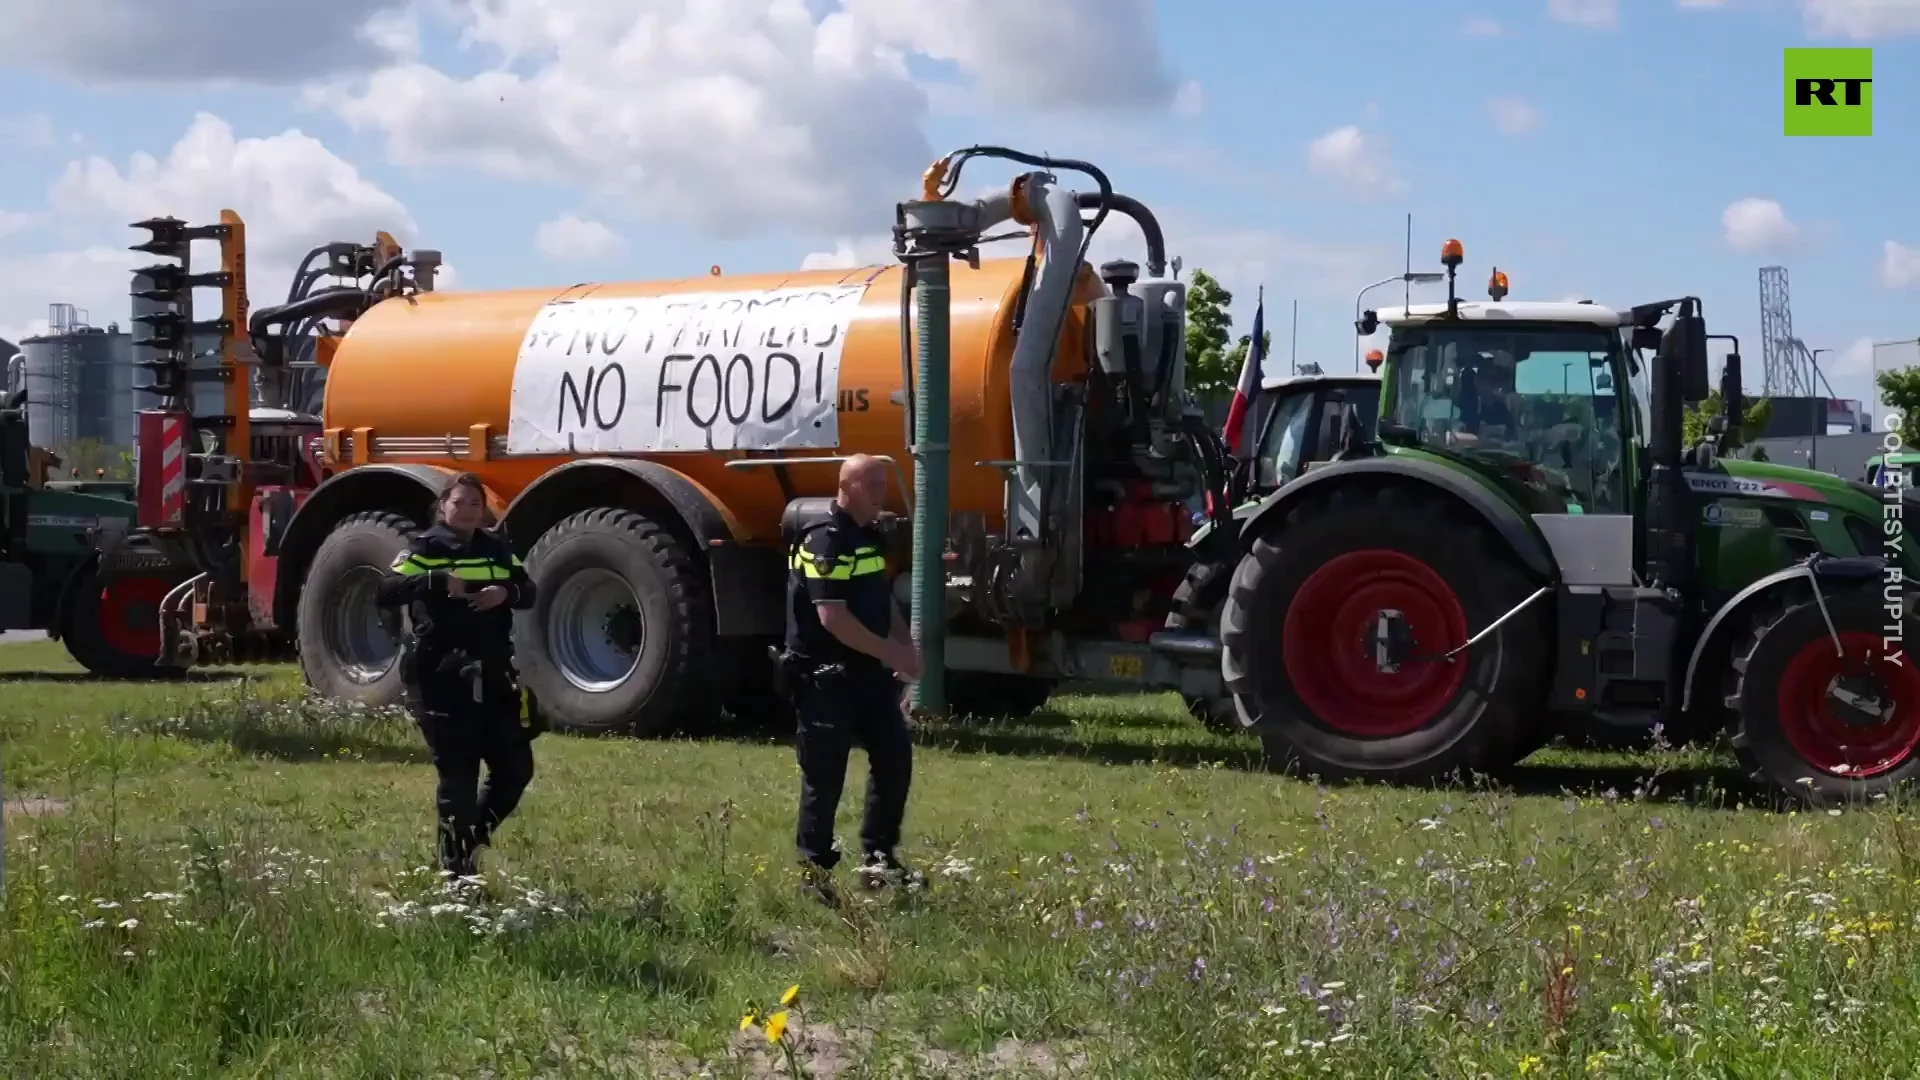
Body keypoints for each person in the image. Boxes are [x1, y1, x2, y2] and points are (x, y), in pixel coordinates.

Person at [376, 472, 538, 881]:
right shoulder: (426, 546)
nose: (467, 511)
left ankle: (470, 840)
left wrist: (506, 594)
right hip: (441, 677)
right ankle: (456, 874)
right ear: (442, 506)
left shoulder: (494, 549)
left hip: (495, 673)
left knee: (516, 769)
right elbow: (386, 589)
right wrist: (434, 581)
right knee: (460, 778)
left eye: (475, 504)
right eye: (459, 502)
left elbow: (529, 589)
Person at [780, 454, 924, 906]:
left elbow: (881, 602)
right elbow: (832, 618)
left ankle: (878, 862)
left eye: (883, 482)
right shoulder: (825, 540)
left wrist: (906, 648)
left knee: (895, 759)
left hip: (870, 679)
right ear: (847, 487)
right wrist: (891, 652)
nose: (883, 490)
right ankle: (813, 873)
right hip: (826, 680)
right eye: (873, 483)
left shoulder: (867, 537)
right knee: (824, 777)